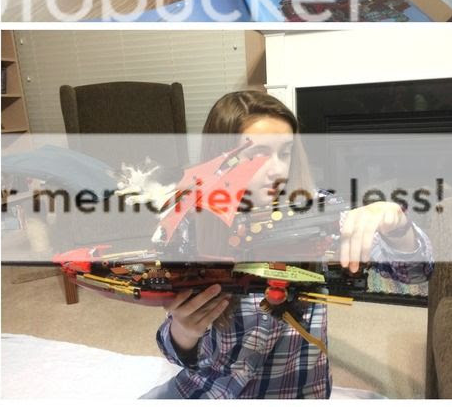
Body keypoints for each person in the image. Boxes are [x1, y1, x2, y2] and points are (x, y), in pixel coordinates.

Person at [149, 90, 431, 398]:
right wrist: (184, 332)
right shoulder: (191, 224)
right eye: (257, 155)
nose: (278, 170)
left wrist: (396, 225)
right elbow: (177, 350)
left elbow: (415, 274)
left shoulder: (320, 212)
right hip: (212, 390)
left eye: (285, 153)